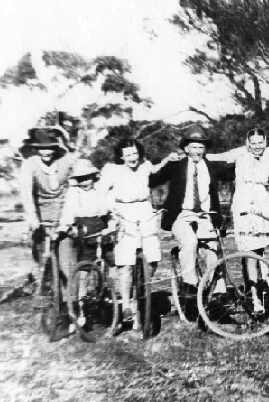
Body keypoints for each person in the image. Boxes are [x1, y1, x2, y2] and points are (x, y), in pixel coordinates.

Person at [207, 128, 269, 313]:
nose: (257, 147)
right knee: (251, 251)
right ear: (247, 143)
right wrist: (201, 154)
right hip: (244, 200)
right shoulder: (240, 153)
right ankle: (255, 298)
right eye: (253, 143)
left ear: (266, 141)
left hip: (263, 199)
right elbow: (220, 157)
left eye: (260, 142)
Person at [98, 138, 177, 324]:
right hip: (123, 213)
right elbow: (100, 191)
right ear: (121, 156)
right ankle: (126, 305)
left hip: (144, 210)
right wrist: (109, 215)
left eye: (135, 153)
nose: (132, 158)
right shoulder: (113, 171)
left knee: (153, 258)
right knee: (125, 264)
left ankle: (142, 292)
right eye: (128, 155)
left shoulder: (145, 165)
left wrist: (167, 160)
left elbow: (156, 169)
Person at [149, 127, 224, 297]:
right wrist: (165, 160)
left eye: (201, 147)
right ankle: (189, 286)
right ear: (186, 149)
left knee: (213, 248)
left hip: (205, 215)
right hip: (182, 215)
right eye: (194, 147)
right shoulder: (176, 166)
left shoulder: (211, 167)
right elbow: (153, 179)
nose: (197, 151)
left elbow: (234, 171)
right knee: (190, 242)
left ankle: (213, 289)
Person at [56, 159, 115, 329]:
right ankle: (80, 308)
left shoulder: (101, 190)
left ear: (94, 177)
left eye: (88, 178)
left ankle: (106, 294)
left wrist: (111, 224)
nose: (85, 182)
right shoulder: (74, 193)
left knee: (111, 260)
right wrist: (65, 227)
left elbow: (110, 211)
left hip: (101, 226)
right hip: (84, 228)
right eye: (81, 179)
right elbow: (69, 212)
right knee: (84, 270)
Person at [19, 128, 78, 297]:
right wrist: (34, 221)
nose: (46, 152)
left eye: (50, 147)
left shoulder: (65, 162)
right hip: (41, 220)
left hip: (63, 218)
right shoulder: (29, 164)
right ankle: (43, 307)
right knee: (42, 264)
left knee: (66, 265)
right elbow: (26, 194)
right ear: (35, 148)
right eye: (42, 148)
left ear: (56, 148)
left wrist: (66, 222)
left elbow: (73, 190)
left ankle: (69, 309)